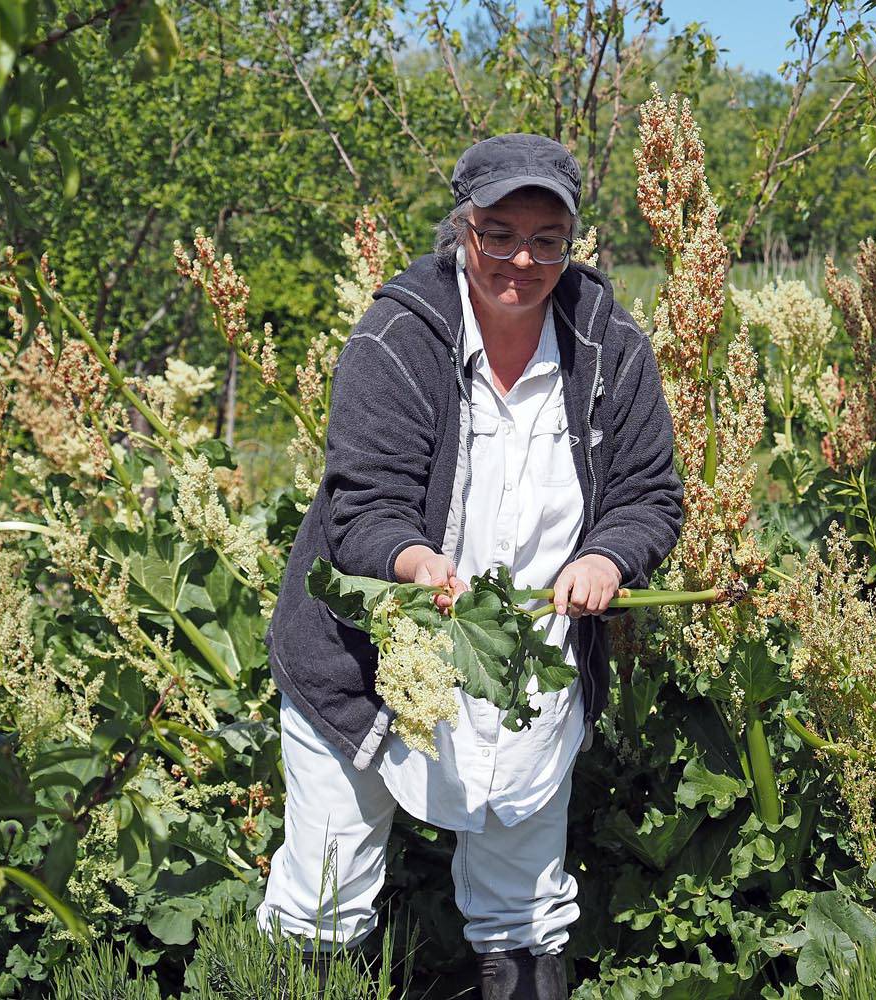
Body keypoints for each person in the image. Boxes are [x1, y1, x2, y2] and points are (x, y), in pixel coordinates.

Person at [257, 133, 684, 999]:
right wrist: (415, 564)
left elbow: (650, 494)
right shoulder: (398, 335)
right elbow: (361, 504)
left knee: (522, 908)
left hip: (526, 660)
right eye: (498, 233)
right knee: (326, 895)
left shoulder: (608, 344)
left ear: (572, 242)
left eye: (547, 240)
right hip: (371, 663)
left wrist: (607, 554)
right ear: (464, 230)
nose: (521, 259)